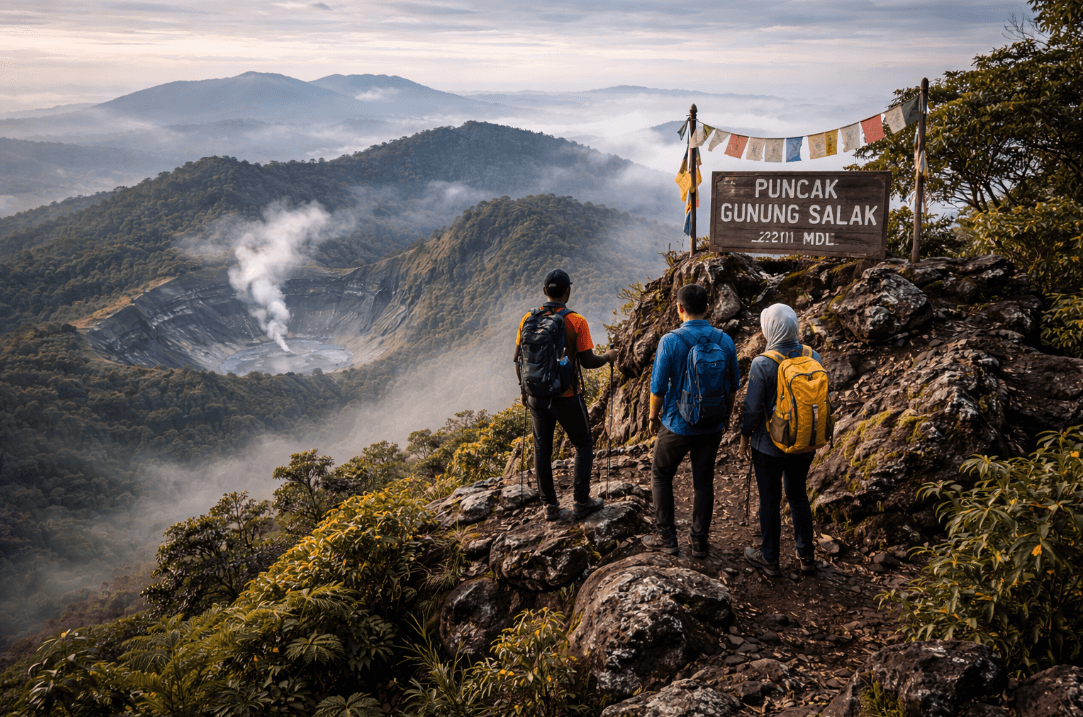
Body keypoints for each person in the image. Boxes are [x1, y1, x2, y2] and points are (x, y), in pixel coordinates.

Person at [642, 284, 738, 558]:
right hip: (712, 425)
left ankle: (667, 538)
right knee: (703, 482)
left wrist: (652, 417)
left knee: (661, 475)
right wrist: (726, 417)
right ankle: (699, 542)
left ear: (679, 308)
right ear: (708, 308)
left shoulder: (670, 341)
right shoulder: (724, 341)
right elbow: (732, 386)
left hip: (676, 424)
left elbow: (658, 388)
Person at [515, 269, 618, 521]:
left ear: (544, 292)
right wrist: (608, 357)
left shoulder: (527, 318)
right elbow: (588, 361)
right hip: (567, 395)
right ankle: (581, 501)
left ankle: (549, 506)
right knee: (583, 443)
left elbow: (517, 357)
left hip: (536, 396)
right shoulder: (577, 321)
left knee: (542, 449)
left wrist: (523, 389)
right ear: (568, 291)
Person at [740, 303, 820, 577]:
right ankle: (806, 555)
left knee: (770, 500)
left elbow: (752, 408)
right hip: (805, 441)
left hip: (768, 445)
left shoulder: (763, 363)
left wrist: (744, 437)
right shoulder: (814, 356)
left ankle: (770, 558)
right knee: (798, 495)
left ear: (769, 328)